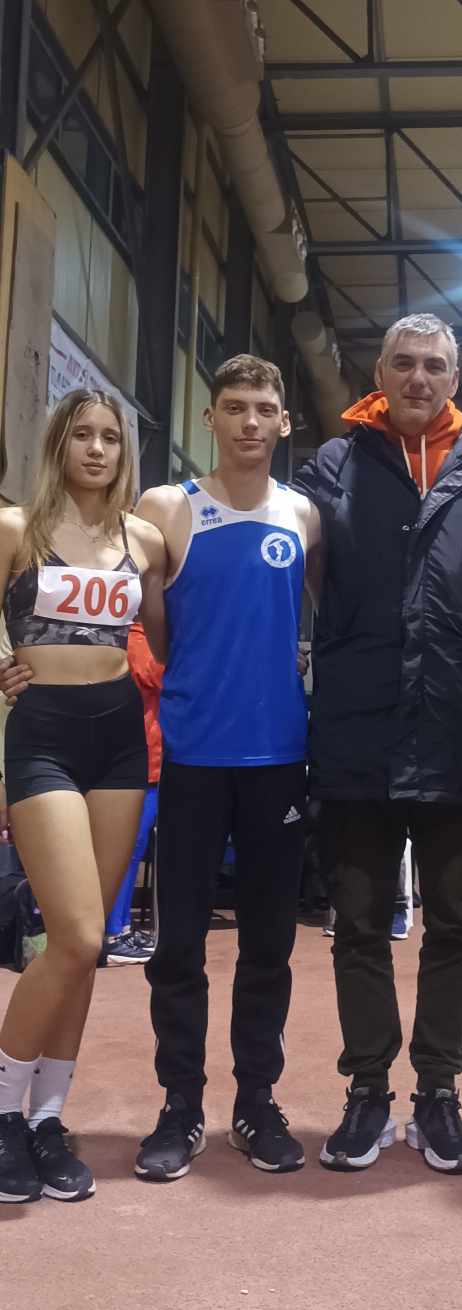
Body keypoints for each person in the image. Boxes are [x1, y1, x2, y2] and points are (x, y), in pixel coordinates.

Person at [294, 313, 462, 1175]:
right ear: (380, 374)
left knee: (457, 922)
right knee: (357, 922)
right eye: (404, 363)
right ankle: (366, 1091)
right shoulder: (334, 464)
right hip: (359, 728)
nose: (419, 378)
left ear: (455, 380)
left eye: (434, 365)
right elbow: (298, 568)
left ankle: (438, 1092)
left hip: (460, 728)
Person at [132, 355, 320, 1182]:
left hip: (280, 757)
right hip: (194, 756)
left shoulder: (304, 515)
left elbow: (316, 621)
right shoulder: (167, 507)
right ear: (209, 418)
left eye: (264, 408)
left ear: (284, 422)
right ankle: (180, 1106)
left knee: (269, 944)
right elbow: (157, 631)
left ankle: (256, 1101)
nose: (250, 421)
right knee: (178, 943)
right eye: (235, 407)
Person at [0, 391, 166, 1203]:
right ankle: (3, 1112)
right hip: (43, 735)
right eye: (81, 436)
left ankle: (46, 1119)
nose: (97, 449)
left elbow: (168, 636)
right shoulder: (14, 529)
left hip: (119, 739)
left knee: (89, 945)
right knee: (71, 934)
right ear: (57, 444)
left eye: (110, 437)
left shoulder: (143, 539)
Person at [103, 619, 164, 963]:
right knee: (126, 849)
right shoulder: (137, 638)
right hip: (141, 760)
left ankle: (121, 926)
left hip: (148, 759)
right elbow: (158, 674)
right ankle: (114, 932)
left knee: (132, 849)